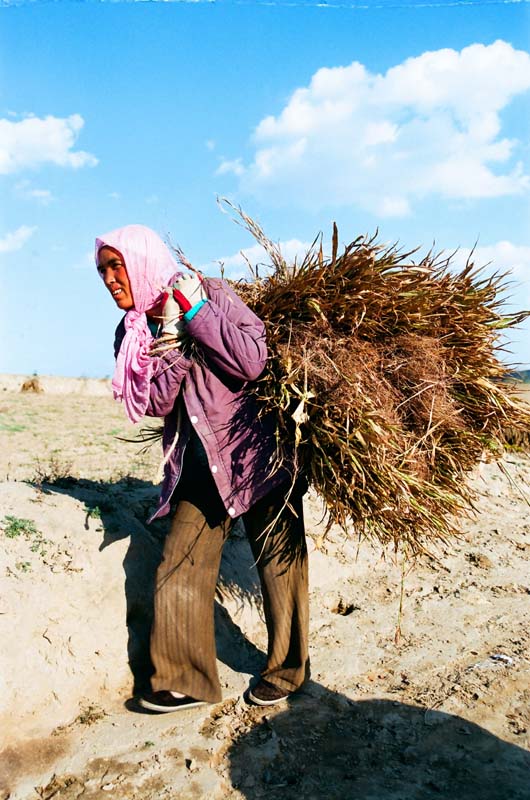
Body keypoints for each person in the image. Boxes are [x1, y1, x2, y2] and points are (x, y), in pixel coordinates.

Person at [95, 224, 309, 712]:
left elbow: (254, 360)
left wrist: (195, 314)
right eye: (103, 270)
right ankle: (185, 681)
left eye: (116, 265)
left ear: (142, 258)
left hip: (257, 452)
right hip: (197, 464)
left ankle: (289, 671)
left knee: (281, 565)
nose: (109, 278)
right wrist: (168, 339)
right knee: (179, 563)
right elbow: (156, 400)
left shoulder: (211, 292)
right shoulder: (131, 335)